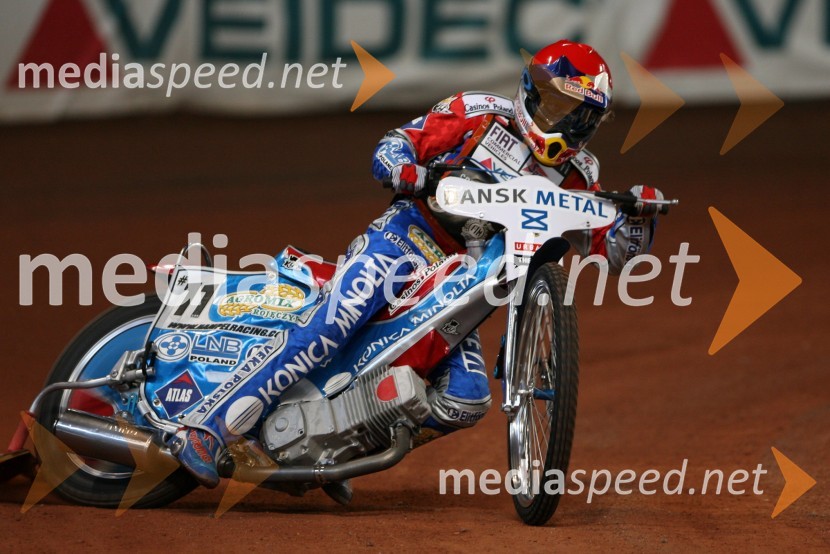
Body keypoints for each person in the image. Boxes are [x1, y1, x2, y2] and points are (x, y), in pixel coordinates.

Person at [170, 40, 663, 488]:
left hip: (465, 283)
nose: (565, 123)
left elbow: (615, 253)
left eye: (579, 116)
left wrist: (640, 218)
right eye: (558, 106)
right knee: (331, 324)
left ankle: (335, 447)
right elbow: (393, 145)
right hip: (406, 241)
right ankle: (209, 429)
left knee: (467, 398)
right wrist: (409, 170)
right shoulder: (477, 112)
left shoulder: (582, 174)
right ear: (531, 93)